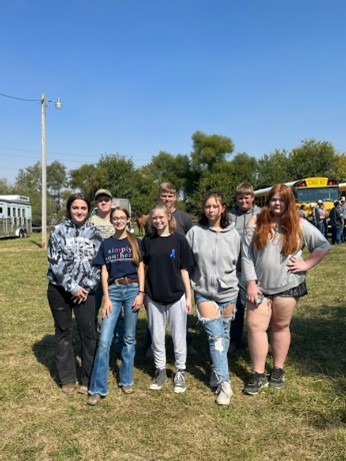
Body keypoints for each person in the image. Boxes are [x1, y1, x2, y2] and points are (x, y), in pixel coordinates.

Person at [241, 184, 330, 396]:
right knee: (255, 326)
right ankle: (258, 373)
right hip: (259, 287)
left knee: (280, 326)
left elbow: (323, 245)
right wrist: (251, 282)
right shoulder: (256, 222)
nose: (277, 203)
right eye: (273, 199)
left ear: (289, 201)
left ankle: (278, 369)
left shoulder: (299, 224)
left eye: (281, 199)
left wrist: (306, 264)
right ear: (268, 201)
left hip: (288, 285)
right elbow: (246, 255)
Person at [186, 191, 240, 405]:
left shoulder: (233, 234)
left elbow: (240, 262)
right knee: (215, 337)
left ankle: (216, 371)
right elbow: (186, 261)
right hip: (204, 292)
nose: (211, 210)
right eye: (207, 206)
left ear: (222, 208)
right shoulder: (195, 232)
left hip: (229, 292)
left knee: (225, 334)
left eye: (215, 206)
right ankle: (225, 384)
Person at [87, 207, 145, 405]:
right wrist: (106, 298)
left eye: (122, 218)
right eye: (115, 218)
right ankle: (97, 387)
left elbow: (141, 268)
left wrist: (141, 293)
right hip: (113, 291)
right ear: (111, 221)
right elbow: (104, 272)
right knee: (104, 340)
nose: (119, 221)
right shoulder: (106, 244)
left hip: (132, 291)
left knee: (129, 338)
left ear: (128, 220)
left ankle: (126, 379)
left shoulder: (136, 242)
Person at [47, 193, 103, 394]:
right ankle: (67, 378)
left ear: (88, 211)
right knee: (64, 332)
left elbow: (99, 262)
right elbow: (55, 262)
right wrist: (73, 287)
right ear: (69, 209)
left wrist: (85, 287)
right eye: (75, 208)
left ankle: (87, 378)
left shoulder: (95, 232)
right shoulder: (58, 231)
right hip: (59, 290)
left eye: (83, 208)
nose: (79, 211)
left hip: (87, 292)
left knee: (88, 333)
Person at [142, 202, 193, 394]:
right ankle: (160, 370)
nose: (158, 221)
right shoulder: (147, 241)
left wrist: (189, 297)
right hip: (154, 296)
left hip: (176, 296)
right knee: (157, 336)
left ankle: (180, 371)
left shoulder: (179, 240)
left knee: (178, 335)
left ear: (168, 217)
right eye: (154, 218)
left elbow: (184, 269)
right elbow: (144, 268)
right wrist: (143, 293)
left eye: (161, 217)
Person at [144, 182, 194, 356]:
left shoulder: (185, 218)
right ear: (159, 197)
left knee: (179, 319)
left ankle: (185, 345)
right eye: (164, 195)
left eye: (170, 195)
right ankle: (151, 346)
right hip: (157, 276)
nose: (167, 198)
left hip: (176, 271)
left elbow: (189, 246)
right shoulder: (152, 220)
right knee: (154, 320)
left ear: (175, 197)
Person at [229, 182, 261, 351]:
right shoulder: (229, 216)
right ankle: (235, 339)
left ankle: (259, 340)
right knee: (238, 304)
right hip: (237, 267)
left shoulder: (262, 214)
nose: (243, 201)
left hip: (258, 266)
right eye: (240, 197)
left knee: (259, 305)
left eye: (246, 197)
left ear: (252, 198)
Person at [91, 188, 124, 351]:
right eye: (100, 200)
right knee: (93, 310)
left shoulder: (117, 220)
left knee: (116, 312)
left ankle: (118, 344)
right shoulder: (90, 222)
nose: (103, 202)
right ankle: (95, 343)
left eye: (106, 200)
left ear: (112, 202)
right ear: (96, 203)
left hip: (115, 275)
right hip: (94, 275)